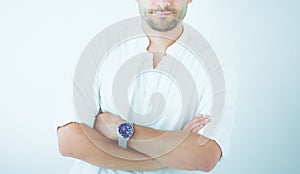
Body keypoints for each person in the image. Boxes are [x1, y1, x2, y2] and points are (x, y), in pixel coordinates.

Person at [57, 0, 235, 173]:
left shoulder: (214, 65)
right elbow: (69, 140)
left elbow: (204, 156)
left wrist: (122, 129)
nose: (163, 3)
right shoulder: (100, 47)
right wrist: (172, 149)